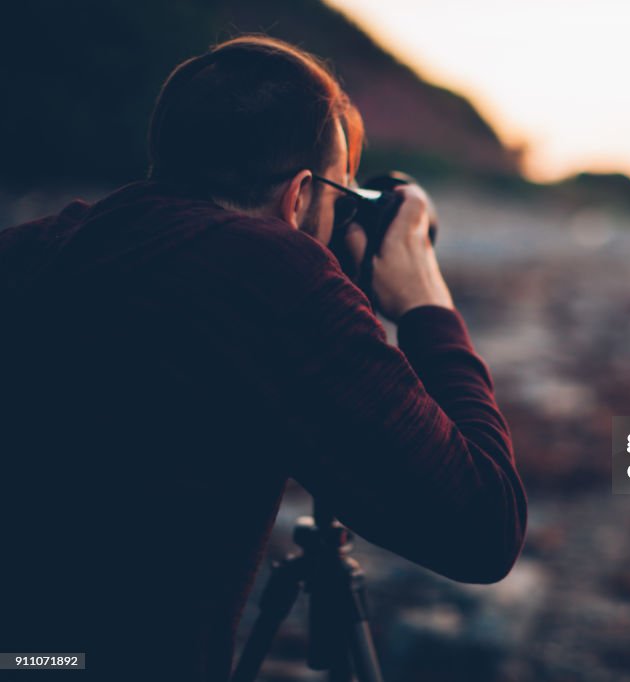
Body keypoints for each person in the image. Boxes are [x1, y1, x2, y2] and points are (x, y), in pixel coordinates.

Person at [0, 36, 527, 680]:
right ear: (299, 196)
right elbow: (483, 527)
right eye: (341, 198)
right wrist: (427, 305)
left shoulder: (31, 247)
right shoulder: (272, 272)